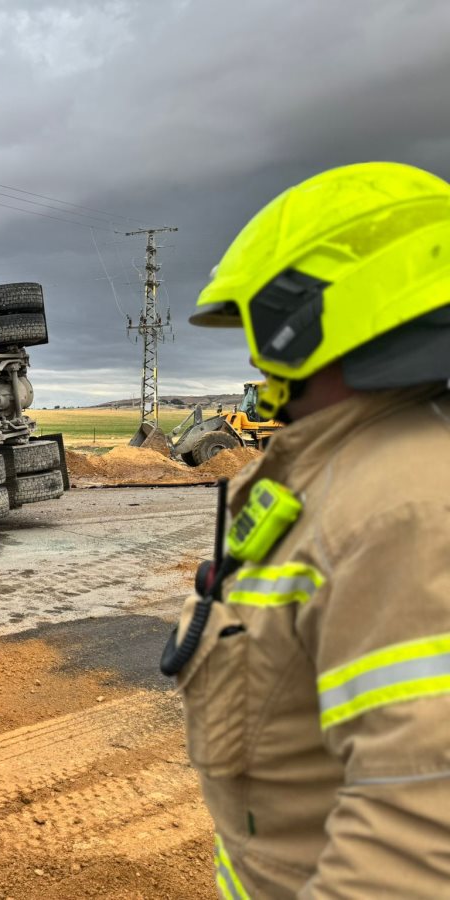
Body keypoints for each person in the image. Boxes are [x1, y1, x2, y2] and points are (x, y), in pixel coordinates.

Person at [171, 161, 450, 897]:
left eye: (261, 328)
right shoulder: (354, 473)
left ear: (322, 316)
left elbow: (419, 838)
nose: (258, 362)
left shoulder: (408, 508)